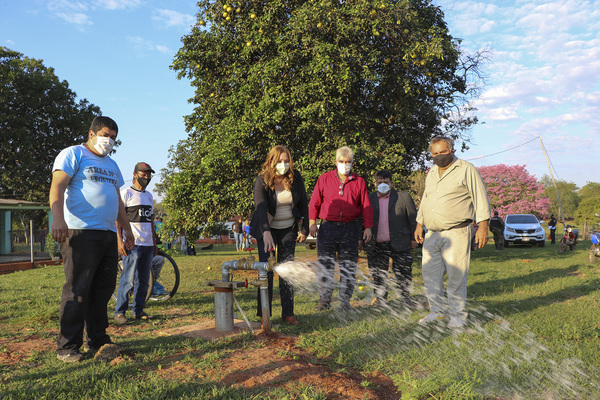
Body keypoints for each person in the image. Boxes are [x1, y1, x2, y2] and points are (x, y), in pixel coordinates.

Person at [49, 116, 134, 362]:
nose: (109, 141)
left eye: (114, 138)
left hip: (107, 233)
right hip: (80, 231)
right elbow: (57, 187)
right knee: (77, 290)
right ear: (92, 134)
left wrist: (125, 228)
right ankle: (67, 346)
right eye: (106, 135)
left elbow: (116, 200)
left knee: (102, 290)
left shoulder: (112, 164)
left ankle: (97, 339)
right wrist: (58, 218)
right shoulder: (73, 154)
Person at [414, 136, 490, 329]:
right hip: (432, 233)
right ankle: (437, 312)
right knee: (430, 275)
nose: (439, 156)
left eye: (443, 152)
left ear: (452, 151)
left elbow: (480, 198)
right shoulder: (431, 173)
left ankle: (457, 315)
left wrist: (482, 227)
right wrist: (419, 223)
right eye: (435, 154)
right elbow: (426, 199)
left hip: (457, 231)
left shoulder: (466, 169)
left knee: (456, 275)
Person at [309, 146, 374, 311]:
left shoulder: (359, 181)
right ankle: (324, 300)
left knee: (348, 265)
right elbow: (315, 201)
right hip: (327, 227)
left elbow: (366, 205)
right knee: (326, 265)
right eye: (342, 161)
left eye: (348, 162)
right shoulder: (324, 179)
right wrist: (311, 222)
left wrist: (368, 227)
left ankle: (345, 301)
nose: (345, 164)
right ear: (335, 162)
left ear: (353, 162)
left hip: (350, 228)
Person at [250, 145, 309, 326]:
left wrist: (304, 228)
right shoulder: (262, 181)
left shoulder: (295, 177)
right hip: (266, 230)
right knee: (266, 273)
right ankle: (264, 315)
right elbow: (260, 208)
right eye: (279, 161)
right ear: (271, 162)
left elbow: (304, 203)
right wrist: (266, 232)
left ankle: (288, 313)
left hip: (288, 229)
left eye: (286, 161)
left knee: (287, 271)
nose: (283, 165)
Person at [364, 170, 418, 307]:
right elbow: (362, 220)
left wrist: (414, 238)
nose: (383, 185)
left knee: (404, 272)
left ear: (391, 183)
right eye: (380, 182)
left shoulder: (403, 197)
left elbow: (413, 219)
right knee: (378, 273)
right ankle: (381, 299)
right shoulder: (369, 199)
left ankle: (405, 298)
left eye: (386, 182)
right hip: (376, 243)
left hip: (400, 242)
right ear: (375, 183)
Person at [114, 162, 157, 324]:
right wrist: (119, 240)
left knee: (144, 280)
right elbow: (119, 219)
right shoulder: (126, 194)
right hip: (132, 245)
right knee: (128, 279)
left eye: (149, 174)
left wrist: (154, 241)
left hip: (147, 245)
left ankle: (138, 310)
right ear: (134, 174)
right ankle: (120, 312)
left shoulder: (149, 196)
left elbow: (150, 220)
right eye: (143, 174)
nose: (146, 177)